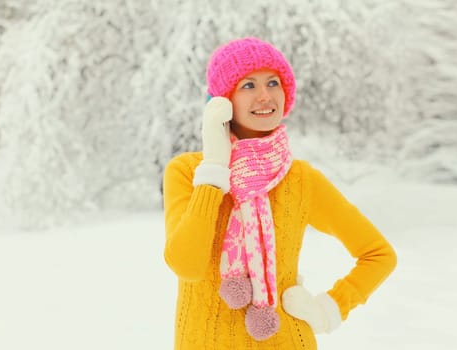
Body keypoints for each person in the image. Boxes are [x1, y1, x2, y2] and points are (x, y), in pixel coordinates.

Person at [163, 37, 397, 349]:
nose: (265, 96)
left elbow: (378, 255)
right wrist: (215, 168)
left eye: (273, 83)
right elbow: (186, 265)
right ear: (222, 102)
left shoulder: (300, 179)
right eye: (248, 85)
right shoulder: (189, 172)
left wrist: (328, 309)